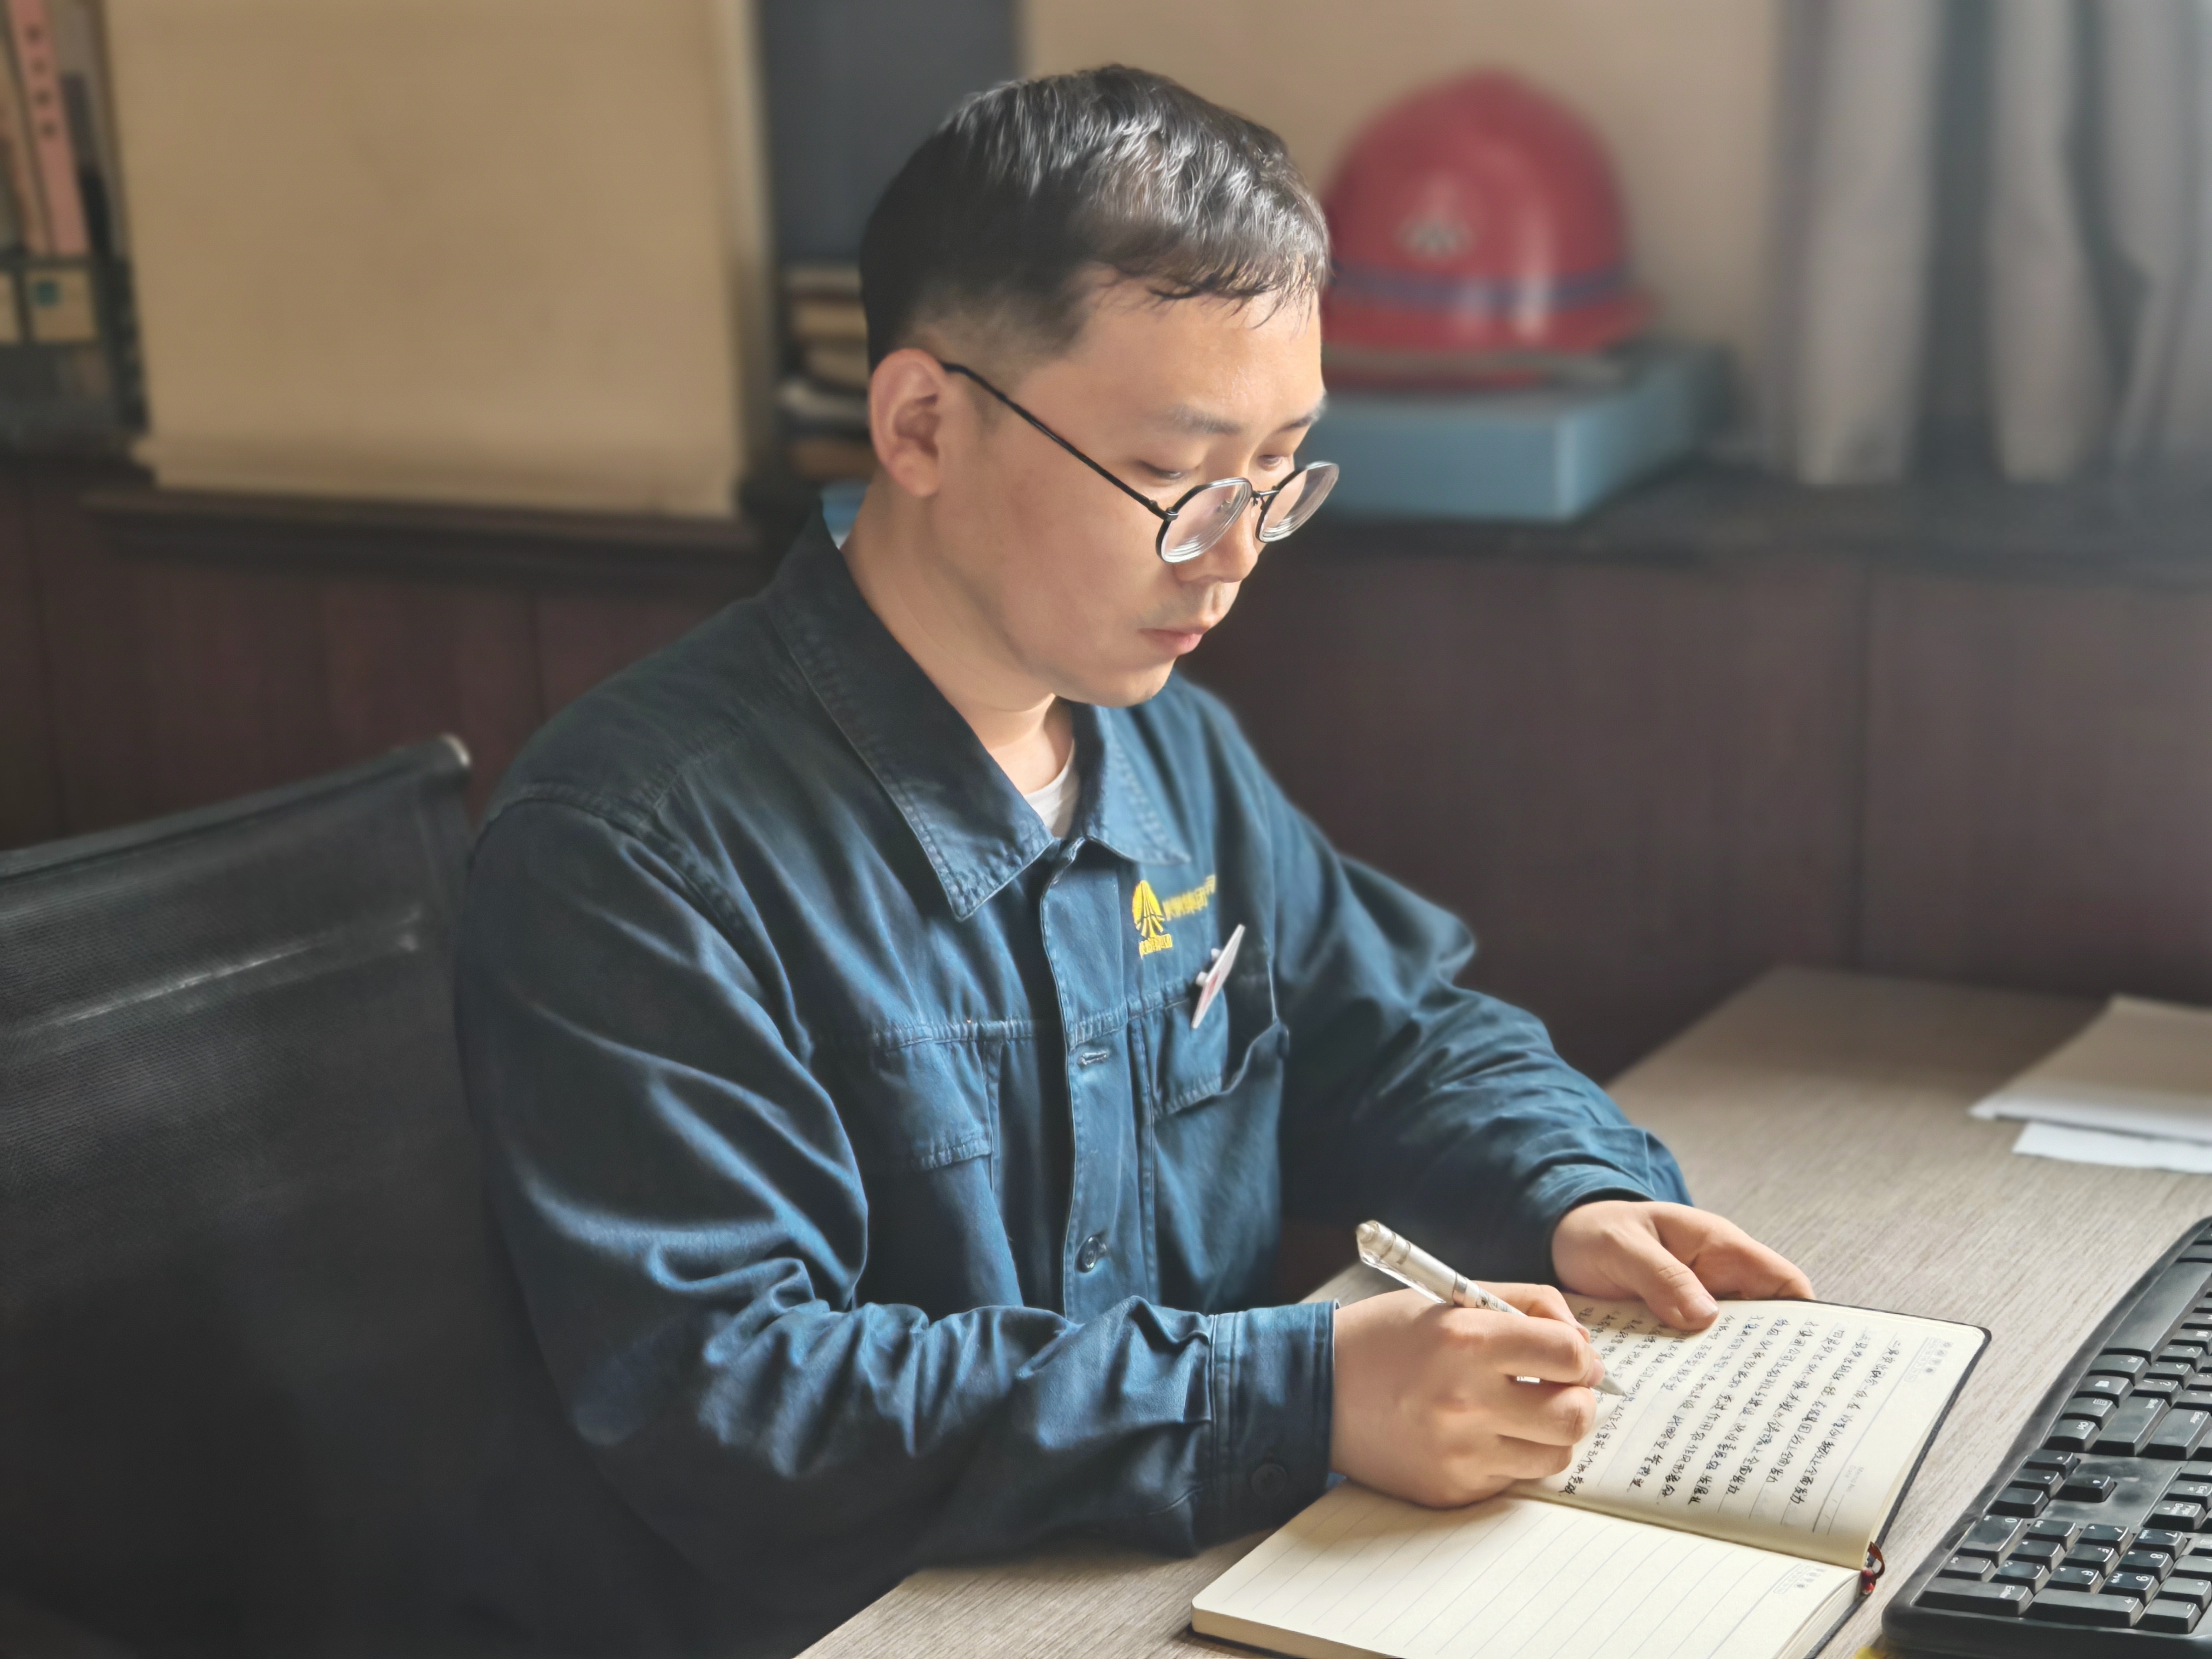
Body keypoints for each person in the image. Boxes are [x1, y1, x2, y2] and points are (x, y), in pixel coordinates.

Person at [453, 64, 1813, 1658]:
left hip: (1181, 1579)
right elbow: (738, 1393)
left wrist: (1569, 1189)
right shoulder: (630, 851)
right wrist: (1299, 1397)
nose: (1234, 556)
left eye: (1279, 469)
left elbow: (1392, 1033)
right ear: (921, 424)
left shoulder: (1165, 746)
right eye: (1174, 476)